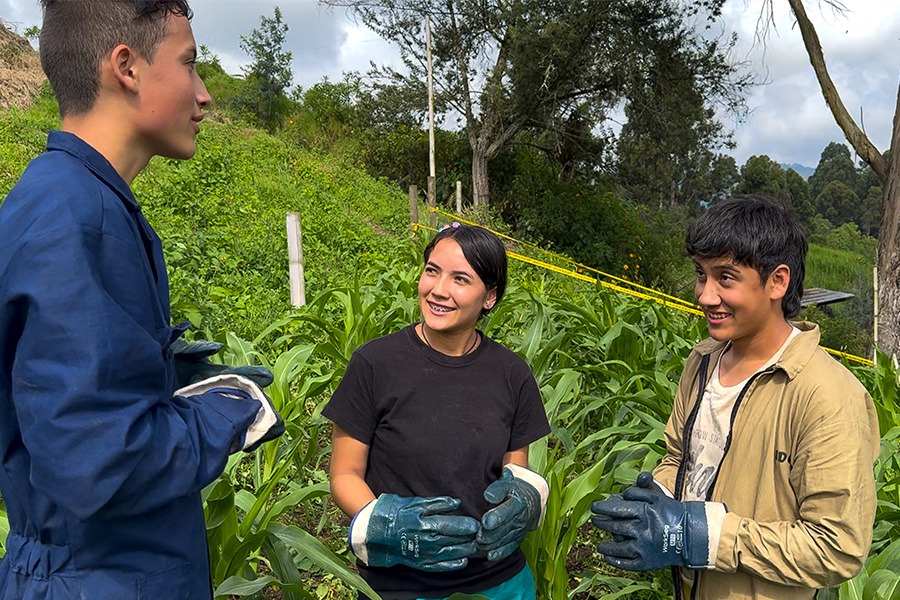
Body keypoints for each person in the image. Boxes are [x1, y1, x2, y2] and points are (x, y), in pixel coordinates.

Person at [0, 1, 283, 598]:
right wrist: (227, 409)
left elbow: (59, 402)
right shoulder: (75, 219)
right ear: (126, 67)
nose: (204, 96)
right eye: (190, 64)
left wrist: (164, 378)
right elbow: (97, 462)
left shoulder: (74, 200)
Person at [589, 195, 880, 599]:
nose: (706, 296)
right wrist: (657, 497)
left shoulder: (828, 397)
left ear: (777, 281)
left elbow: (837, 547)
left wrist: (701, 535)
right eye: (701, 275)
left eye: (725, 278)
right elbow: (682, 457)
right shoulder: (703, 360)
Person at [323, 224, 551, 600]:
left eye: (460, 279)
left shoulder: (512, 374)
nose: (438, 290)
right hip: (399, 582)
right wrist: (388, 524)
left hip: (498, 582)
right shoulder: (375, 363)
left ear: (490, 296)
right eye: (432, 270)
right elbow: (345, 473)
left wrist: (525, 500)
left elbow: (515, 475)